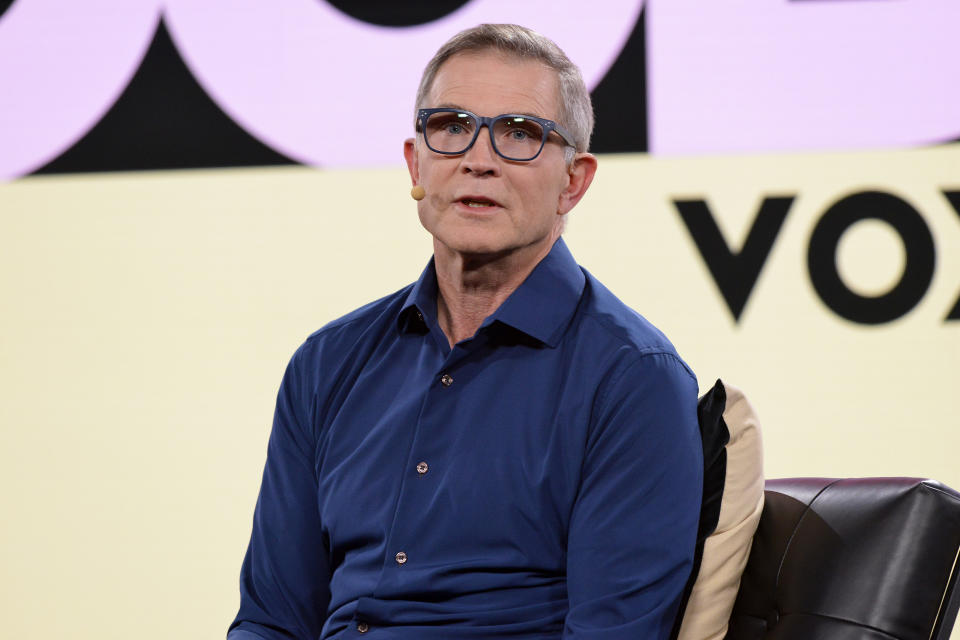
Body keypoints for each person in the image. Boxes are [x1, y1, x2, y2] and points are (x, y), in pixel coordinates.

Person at [228, 23, 703, 640]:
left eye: (520, 134)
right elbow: (272, 621)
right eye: (451, 127)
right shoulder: (325, 365)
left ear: (574, 182)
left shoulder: (633, 379)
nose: (479, 161)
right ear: (415, 162)